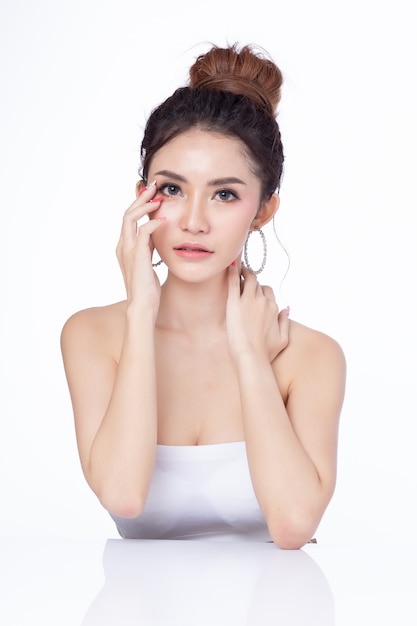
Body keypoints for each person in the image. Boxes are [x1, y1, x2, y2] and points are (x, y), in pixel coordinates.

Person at [61, 43, 346, 549]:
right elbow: (123, 495)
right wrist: (141, 310)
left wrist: (249, 357)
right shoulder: (91, 335)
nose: (194, 220)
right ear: (142, 196)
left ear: (263, 210)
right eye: (171, 189)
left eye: (225, 194)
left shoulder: (309, 356)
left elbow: (293, 528)